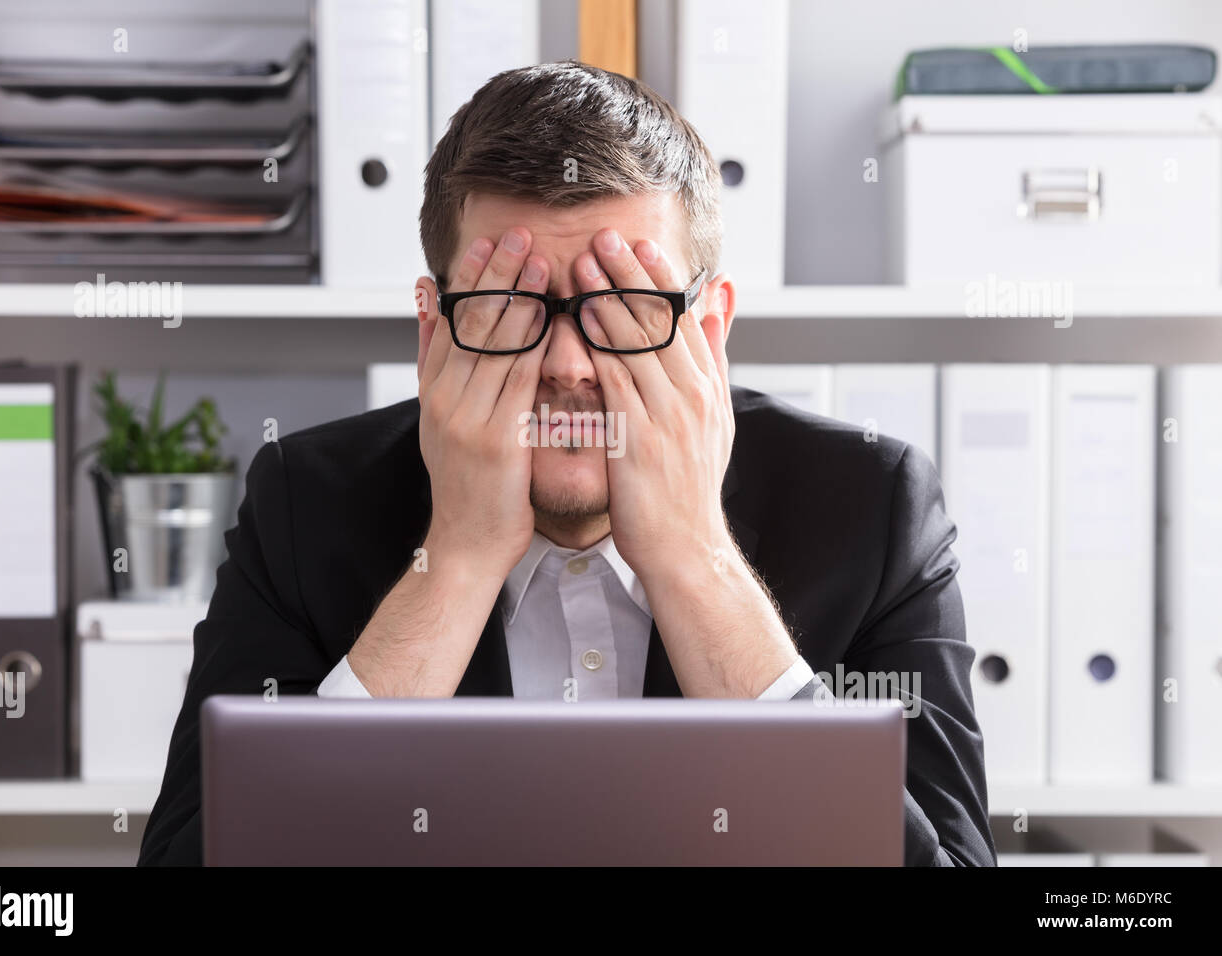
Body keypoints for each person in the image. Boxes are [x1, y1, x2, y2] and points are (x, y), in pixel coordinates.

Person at [139, 60, 995, 867]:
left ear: (710, 332)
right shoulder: (304, 504)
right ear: (434, 330)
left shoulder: (874, 509)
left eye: (621, 306)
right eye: (510, 304)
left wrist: (695, 561)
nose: (568, 365)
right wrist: (458, 562)